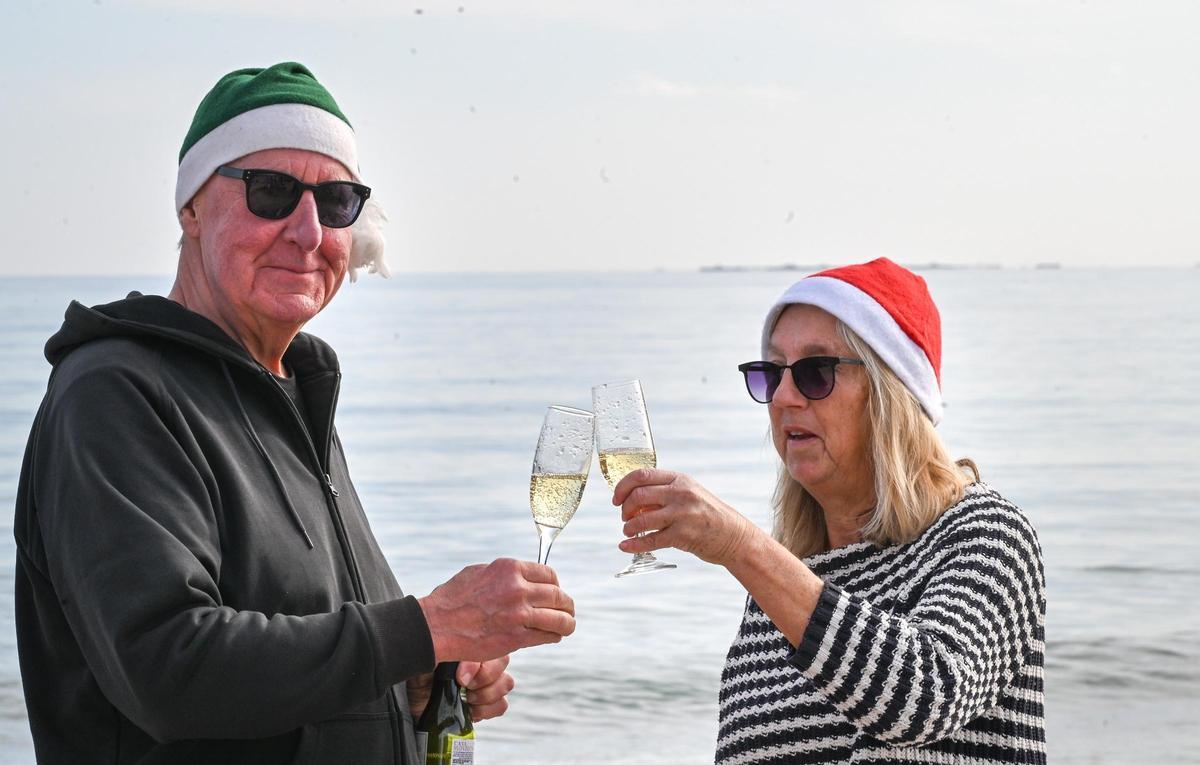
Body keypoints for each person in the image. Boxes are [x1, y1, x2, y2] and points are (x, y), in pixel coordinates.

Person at [13, 62, 576, 764]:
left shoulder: (298, 395)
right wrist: (424, 626)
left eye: (337, 201)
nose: (307, 231)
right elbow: (168, 669)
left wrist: (418, 682)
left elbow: (299, 670)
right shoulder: (115, 393)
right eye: (272, 192)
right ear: (191, 207)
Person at [613, 258, 1046, 764]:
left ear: (891, 395)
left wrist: (739, 546)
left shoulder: (985, 534)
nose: (785, 396)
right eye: (772, 373)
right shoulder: (783, 589)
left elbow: (925, 698)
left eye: (815, 372)